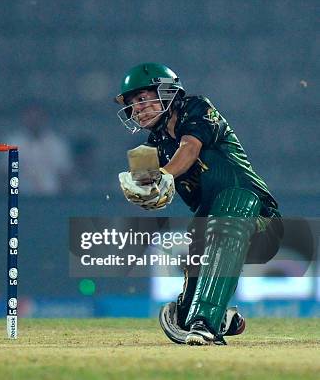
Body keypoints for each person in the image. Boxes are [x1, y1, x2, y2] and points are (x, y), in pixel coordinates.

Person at [114, 63, 283, 345]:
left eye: (143, 99)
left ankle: (206, 323)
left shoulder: (197, 108)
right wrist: (143, 192)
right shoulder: (151, 146)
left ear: (167, 91)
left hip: (257, 211)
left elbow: (189, 149)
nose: (138, 109)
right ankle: (217, 318)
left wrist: (164, 174)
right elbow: (153, 190)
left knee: (225, 217)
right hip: (211, 222)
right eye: (132, 105)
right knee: (183, 316)